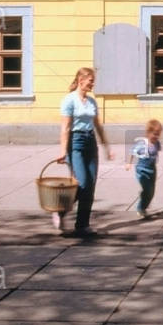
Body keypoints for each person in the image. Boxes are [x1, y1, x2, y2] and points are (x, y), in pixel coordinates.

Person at [54, 67, 113, 237]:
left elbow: (98, 126)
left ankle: (82, 225)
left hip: (90, 141)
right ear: (81, 80)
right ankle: (61, 210)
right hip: (76, 142)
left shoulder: (92, 101)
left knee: (91, 184)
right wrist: (63, 151)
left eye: (93, 81)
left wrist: (106, 147)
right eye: (91, 80)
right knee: (83, 182)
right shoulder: (69, 100)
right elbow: (65, 128)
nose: (93, 84)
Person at [127, 119, 163, 218]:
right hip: (142, 169)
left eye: (158, 134)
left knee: (151, 191)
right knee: (147, 189)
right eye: (154, 134)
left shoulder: (157, 143)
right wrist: (129, 163)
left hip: (152, 169)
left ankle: (144, 203)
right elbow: (132, 152)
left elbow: (156, 153)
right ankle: (140, 208)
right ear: (148, 133)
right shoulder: (142, 144)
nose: (156, 136)